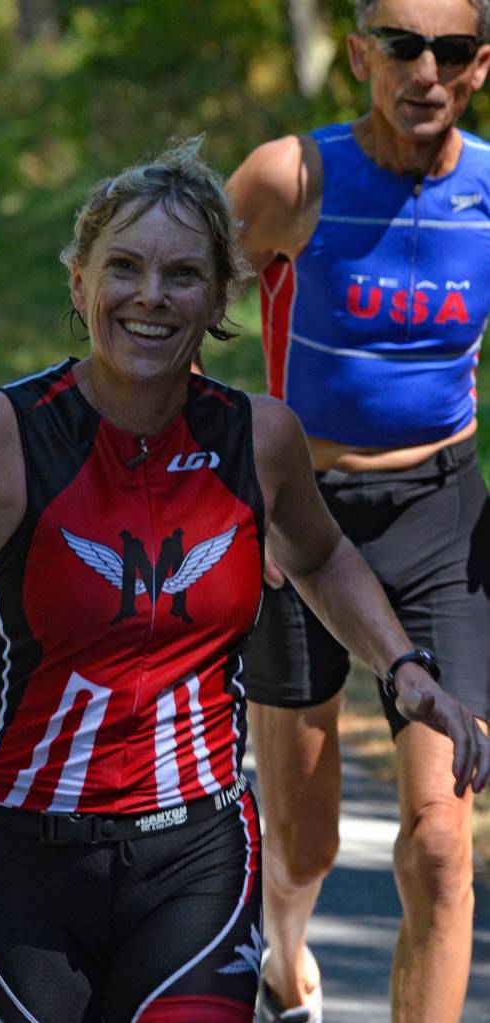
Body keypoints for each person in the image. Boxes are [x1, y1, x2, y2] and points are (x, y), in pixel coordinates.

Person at [0, 141, 488, 1023]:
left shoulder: (260, 437)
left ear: (217, 298)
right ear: (80, 283)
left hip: (197, 858)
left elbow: (319, 555)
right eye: (123, 268)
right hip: (22, 862)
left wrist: (402, 665)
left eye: (182, 274)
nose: (150, 296)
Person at [222, 1, 490, 1020]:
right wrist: (225, 479)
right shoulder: (294, 178)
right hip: (300, 521)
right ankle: (284, 955)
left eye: (451, 50)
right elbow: (169, 308)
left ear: (479, 66)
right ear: (360, 55)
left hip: (441, 521)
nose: (426, 70)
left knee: (438, 842)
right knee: (305, 842)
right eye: (403, 45)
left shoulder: (489, 193)